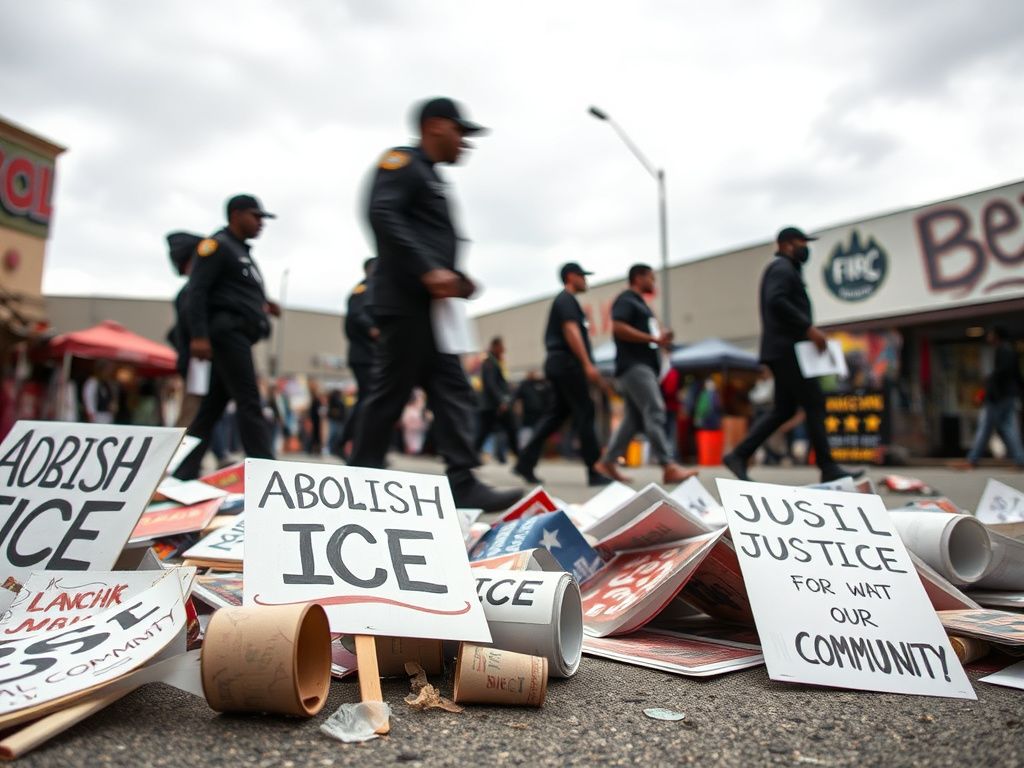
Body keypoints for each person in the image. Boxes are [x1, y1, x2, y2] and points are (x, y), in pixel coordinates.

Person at [348, 96, 523, 512]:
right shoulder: (403, 163)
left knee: (453, 389)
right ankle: (357, 475)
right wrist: (428, 270)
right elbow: (383, 213)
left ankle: (462, 480)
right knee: (391, 392)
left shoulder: (431, 176)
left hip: (433, 309)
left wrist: (456, 280)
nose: (465, 142)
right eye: (460, 131)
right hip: (406, 303)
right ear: (435, 126)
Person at [723, 227, 863, 483]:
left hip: (785, 350)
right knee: (814, 403)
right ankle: (828, 466)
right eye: (801, 242)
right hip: (788, 350)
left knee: (784, 409)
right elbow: (776, 301)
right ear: (786, 244)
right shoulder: (781, 268)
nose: (805, 247)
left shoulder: (786, 269)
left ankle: (739, 455)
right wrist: (808, 328)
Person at [174, 194, 279, 480]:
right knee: (249, 402)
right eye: (255, 216)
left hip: (237, 335)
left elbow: (235, 290)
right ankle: (266, 471)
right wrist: (199, 335)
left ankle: (184, 471)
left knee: (210, 410)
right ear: (236, 215)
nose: (260, 223)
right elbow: (197, 291)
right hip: (226, 335)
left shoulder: (240, 251)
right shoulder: (216, 246)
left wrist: (264, 304)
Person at [594, 264, 698, 485]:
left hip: (643, 366)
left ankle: (608, 462)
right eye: (651, 278)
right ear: (638, 277)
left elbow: (647, 334)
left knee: (633, 418)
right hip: (634, 366)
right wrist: (653, 339)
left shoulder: (642, 304)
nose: (654, 282)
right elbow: (618, 328)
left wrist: (660, 337)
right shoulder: (626, 299)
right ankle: (668, 465)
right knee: (655, 409)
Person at [514, 263, 613, 487]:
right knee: (585, 410)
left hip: (559, 364)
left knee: (556, 415)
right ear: (570, 277)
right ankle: (594, 469)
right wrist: (587, 363)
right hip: (568, 364)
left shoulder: (566, 301)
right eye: (582, 276)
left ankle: (525, 462)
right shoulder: (566, 300)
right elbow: (571, 331)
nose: (586, 280)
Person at [961, 325, 1024, 468]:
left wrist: (988, 388)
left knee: (986, 427)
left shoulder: (1004, 350)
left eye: (991, 334)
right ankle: (1020, 460)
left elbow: (1003, 374)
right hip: (1007, 395)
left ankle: (972, 459)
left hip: (999, 397)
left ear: (996, 336)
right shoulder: (1009, 350)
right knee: (1006, 427)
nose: (988, 337)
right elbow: (1016, 375)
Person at [338, 257, 378, 456]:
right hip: (364, 355)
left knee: (369, 401)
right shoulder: (363, 289)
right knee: (368, 401)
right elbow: (356, 315)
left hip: (370, 355)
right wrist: (373, 329)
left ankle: (359, 447)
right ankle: (348, 444)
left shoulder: (373, 290)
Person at [475, 336, 519, 463]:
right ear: (495, 347)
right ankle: (521, 461)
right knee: (486, 432)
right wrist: (502, 401)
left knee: (507, 430)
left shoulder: (495, 361)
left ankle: (521, 460)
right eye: (501, 346)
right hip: (492, 405)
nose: (504, 349)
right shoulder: (489, 362)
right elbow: (491, 384)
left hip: (494, 404)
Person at [514, 370, 552, 449]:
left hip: (541, 414)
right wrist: (518, 408)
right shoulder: (524, 385)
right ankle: (524, 449)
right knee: (526, 432)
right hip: (528, 414)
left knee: (539, 432)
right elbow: (516, 397)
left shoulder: (541, 384)